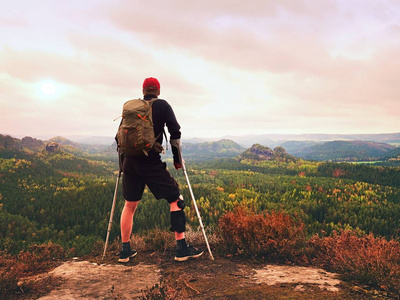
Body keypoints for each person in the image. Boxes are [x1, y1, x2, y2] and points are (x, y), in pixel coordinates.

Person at [118, 77, 203, 263]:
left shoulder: (131, 109)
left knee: (129, 205)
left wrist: (122, 166)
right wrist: (177, 159)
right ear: (158, 90)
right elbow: (175, 131)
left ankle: (125, 251)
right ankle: (181, 249)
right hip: (150, 162)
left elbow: (120, 139)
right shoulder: (162, 105)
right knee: (175, 199)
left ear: (143, 90)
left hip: (130, 162)